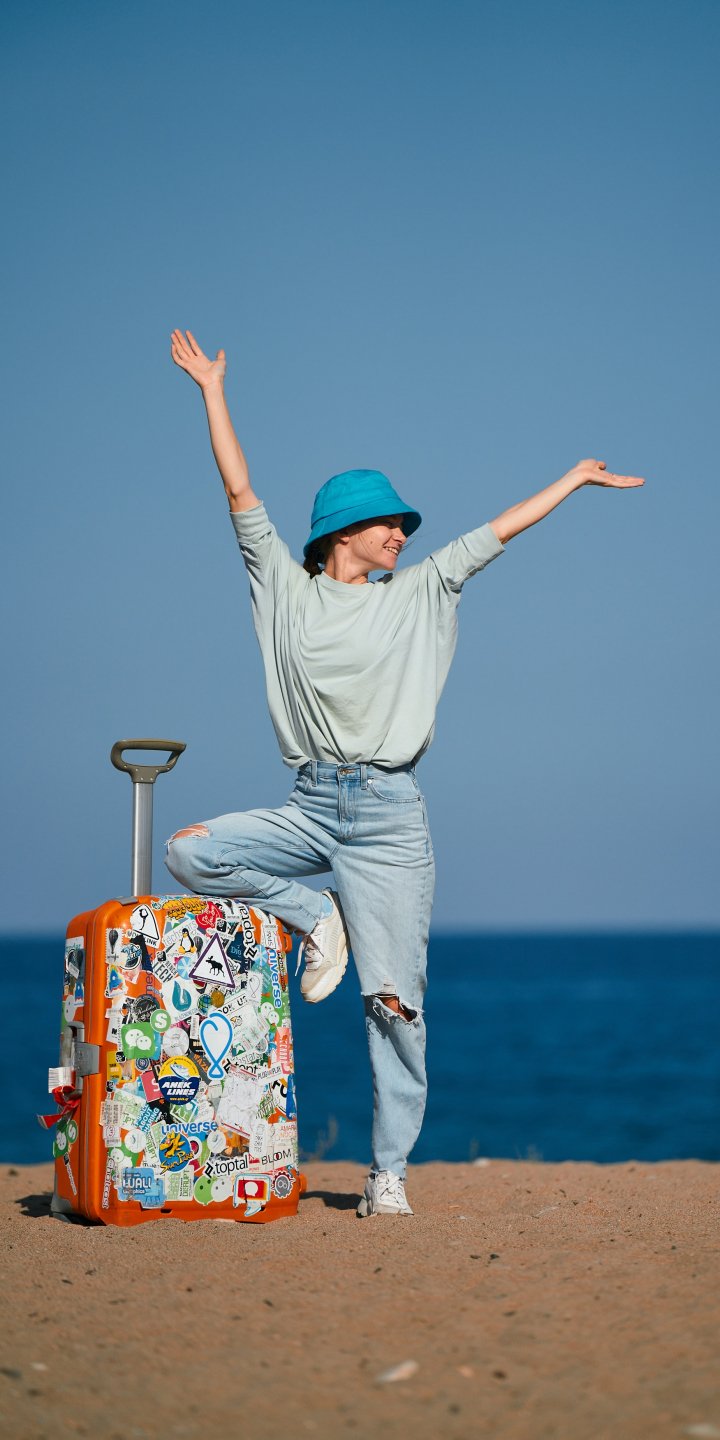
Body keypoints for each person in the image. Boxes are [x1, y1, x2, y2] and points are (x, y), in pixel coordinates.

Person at [165, 328, 644, 1218]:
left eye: (403, 527)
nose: (400, 534)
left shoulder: (423, 591)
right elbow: (240, 492)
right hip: (310, 802)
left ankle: (388, 1173)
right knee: (189, 852)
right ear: (341, 533)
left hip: (389, 818)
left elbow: (494, 532)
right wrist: (212, 390)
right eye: (387, 523)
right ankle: (317, 917)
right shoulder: (284, 588)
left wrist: (574, 480)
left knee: (394, 1003)